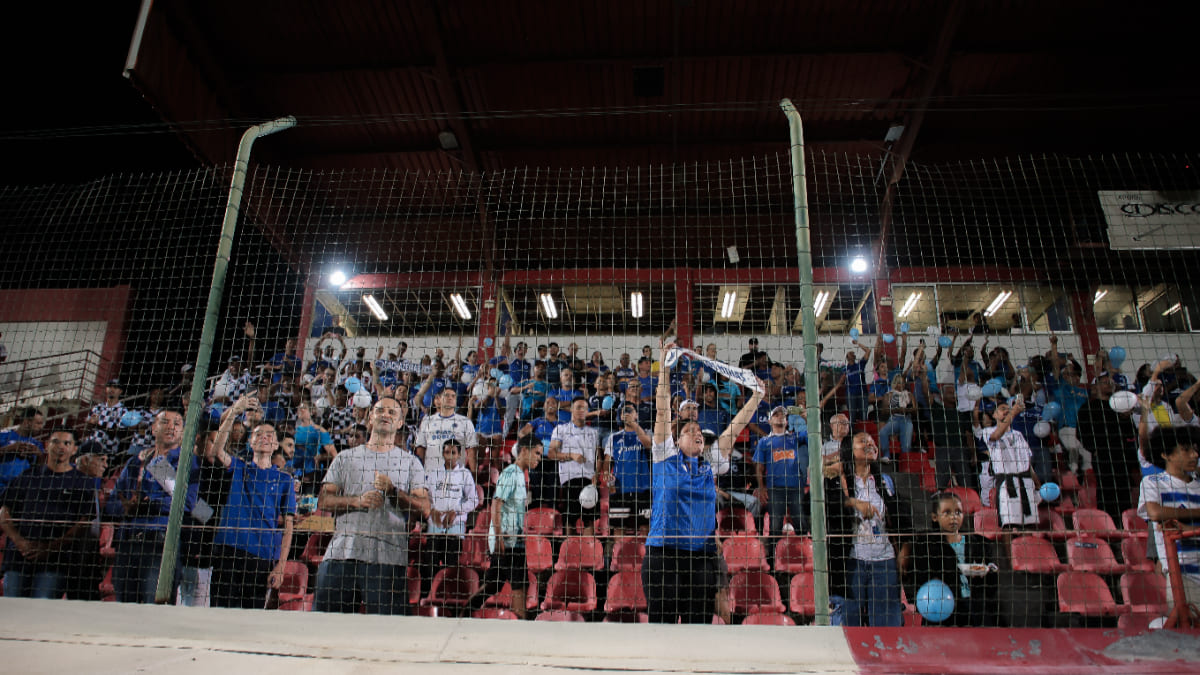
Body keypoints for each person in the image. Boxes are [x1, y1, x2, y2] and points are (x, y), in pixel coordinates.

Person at [644, 340, 763, 624]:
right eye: (690, 429)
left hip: (700, 557)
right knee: (662, 629)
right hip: (664, 555)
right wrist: (664, 365)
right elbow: (662, 410)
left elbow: (735, 428)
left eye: (700, 430)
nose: (697, 432)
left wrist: (757, 396)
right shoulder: (664, 456)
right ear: (677, 439)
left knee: (698, 627)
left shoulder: (708, 466)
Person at [313, 397, 430, 615]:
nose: (385, 415)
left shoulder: (411, 462)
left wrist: (394, 492)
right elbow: (324, 501)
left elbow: (424, 509)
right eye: (380, 410)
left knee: (387, 634)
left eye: (392, 413)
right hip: (341, 556)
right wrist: (356, 501)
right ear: (370, 418)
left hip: (388, 560)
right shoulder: (344, 458)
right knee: (325, 628)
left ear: (400, 423)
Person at [106, 410, 205, 603]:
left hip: (161, 544)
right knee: (122, 609)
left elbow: (189, 504)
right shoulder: (135, 462)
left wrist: (151, 504)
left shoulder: (189, 463)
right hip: (128, 543)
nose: (171, 427)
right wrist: (126, 508)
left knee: (155, 607)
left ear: (183, 432)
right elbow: (112, 504)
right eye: (165, 422)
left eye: (177, 424)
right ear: (153, 428)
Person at [208, 394, 296, 608]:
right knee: (219, 615)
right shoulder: (239, 467)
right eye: (258, 434)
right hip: (228, 550)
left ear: (276, 444)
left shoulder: (284, 480)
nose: (264, 437)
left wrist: (280, 566)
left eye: (269, 435)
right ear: (250, 441)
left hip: (261, 556)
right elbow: (216, 451)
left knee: (250, 619)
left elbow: (288, 527)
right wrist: (234, 413)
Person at [0, 429, 96, 598]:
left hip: (55, 563)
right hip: (18, 558)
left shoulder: (82, 483)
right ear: (46, 445)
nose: (60, 447)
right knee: (13, 612)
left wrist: (49, 548)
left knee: (42, 613)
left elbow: (84, 522)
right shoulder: (27, 476)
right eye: (55, 442)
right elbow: (4, 511)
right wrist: (19, 541)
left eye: (67, 443)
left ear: (74, 449)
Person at [468, 435, 542, 619]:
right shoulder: (510, 473)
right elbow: (496, 504)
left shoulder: (520, 474)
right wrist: (499, 537)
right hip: (507, 541)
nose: (539, 458)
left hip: (514, 540)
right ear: (524, 450)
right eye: (537, 453)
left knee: (495, 583)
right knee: (518, 584)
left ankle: (463, 613)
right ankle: (520, 625)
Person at [837, 432, 906, 627]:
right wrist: (853, 502)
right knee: (850, 628)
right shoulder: (839, 481)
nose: (870, 444)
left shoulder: (885, 482)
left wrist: (903, 550)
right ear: (849, 450)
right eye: (862, 441)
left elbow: (901, 518)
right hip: (852, 562)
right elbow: (826, 505)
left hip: (884, 562)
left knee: (887, 628)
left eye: (872, 441)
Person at [901, 492, 998, 626]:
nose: (954, 517)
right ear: (935, 517)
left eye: (958, 512)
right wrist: (968, 569)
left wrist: (989, 570)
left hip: (976, 612)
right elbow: (920, 577)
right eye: (947, 512)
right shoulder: (925, 545)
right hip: (941, 614)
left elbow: (992, 576)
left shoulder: (979, 543)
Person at [1137, 426, 1200, 614]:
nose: (1195, 455)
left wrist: (1187, 524)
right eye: (1186, 450)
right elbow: (1155, 512)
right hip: (1182, 576)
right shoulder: (1153, 482)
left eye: (1195, 449)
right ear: (1166, 454)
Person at [419, 438, 478, 599]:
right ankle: (427, 599)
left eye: (453, 453)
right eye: (446, 452)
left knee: (451, 565)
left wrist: (456, 511)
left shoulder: (465, 474)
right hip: (435, 526)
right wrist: (432, 511)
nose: (450, 456)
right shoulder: (434, 474)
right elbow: (426, 498)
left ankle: (448, 599)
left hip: (455, 527)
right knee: (429, 564)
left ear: (459, 455)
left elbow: (474, 500)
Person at [977, 398, 1041, 548]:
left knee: (1028, 524)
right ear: (994, 415)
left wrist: (1037, 483)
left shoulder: (1018, 434)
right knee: (1008, 525)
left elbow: (1027, 461)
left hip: (1025, 481)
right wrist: (1013, 412)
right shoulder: (988, 431)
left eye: (1008, 408)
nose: (1006, 411)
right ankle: (1011, 561)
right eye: (1002, 409)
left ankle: (1027, 557)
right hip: (1007, 483)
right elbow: (996, 436)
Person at [753, 406, 808, 561]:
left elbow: (813, 437)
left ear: (787, 420)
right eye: (776, 414)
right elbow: (759, 466)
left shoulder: (795, 437)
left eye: (783, 414)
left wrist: (806, 419)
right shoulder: (764, 442)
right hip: (775, 487)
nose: (780, 417)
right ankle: (774, 560)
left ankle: (807, 555)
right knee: (775, 524)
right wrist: (762, 487)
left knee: (800, 521)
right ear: (769, 420)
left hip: (795, 485)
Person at [548, 397, 600, 537]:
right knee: (569, 520)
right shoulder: (561, 429)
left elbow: (598, 457)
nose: (581, 411)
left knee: (589, 520)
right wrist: (571, 455)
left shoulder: (593, 432)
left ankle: (589, 554)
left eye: (584, 408)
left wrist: (597, 474)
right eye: (578, 407)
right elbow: (551, 453)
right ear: (571, 409)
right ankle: (569, 555)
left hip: (589, 481)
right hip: (570, 480)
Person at [604, 404, 653, 537]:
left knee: (645, 527)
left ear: (636, 415)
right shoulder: (613, 437)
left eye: (630, 411)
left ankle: (645, 557)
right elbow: (607, 462)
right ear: (620, 416)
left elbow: (648, 445)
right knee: (619, 527)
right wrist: (606, 473)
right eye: (623, 412)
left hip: (643, 489)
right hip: (620, 490)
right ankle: (619, 557)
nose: (626, 413)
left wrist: (634, 424)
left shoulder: (646, 433)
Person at [414, 387, 479, 476]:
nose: (450, 398)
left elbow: (472, 451)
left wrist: (473, 476)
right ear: (439, 399)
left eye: (453, 396)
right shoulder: (427, 421)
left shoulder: (465, 422)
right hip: (431, 474)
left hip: (456, 476)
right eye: (446, 395)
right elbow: (421, 448)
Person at [0, 406, 45, 493]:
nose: (41, 427)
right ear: (26, 422)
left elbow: (40, 470)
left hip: (20, 490)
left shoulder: (37, 444)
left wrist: (39, 455)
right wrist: (9, 448)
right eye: (38, 423)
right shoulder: (3, 436)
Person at [878, 374, 915, 460]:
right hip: (894, 419)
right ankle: (886, 455)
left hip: (906, 419)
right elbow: (884, 410)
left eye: (903, 383)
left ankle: (905, 461)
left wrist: (906, 411)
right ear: (895, 383)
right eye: (899, 383)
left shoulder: (909, 395)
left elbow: (915, 409)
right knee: (883, 432)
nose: (902, 385)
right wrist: (896, 410)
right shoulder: (889, 395)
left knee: (906, 445)